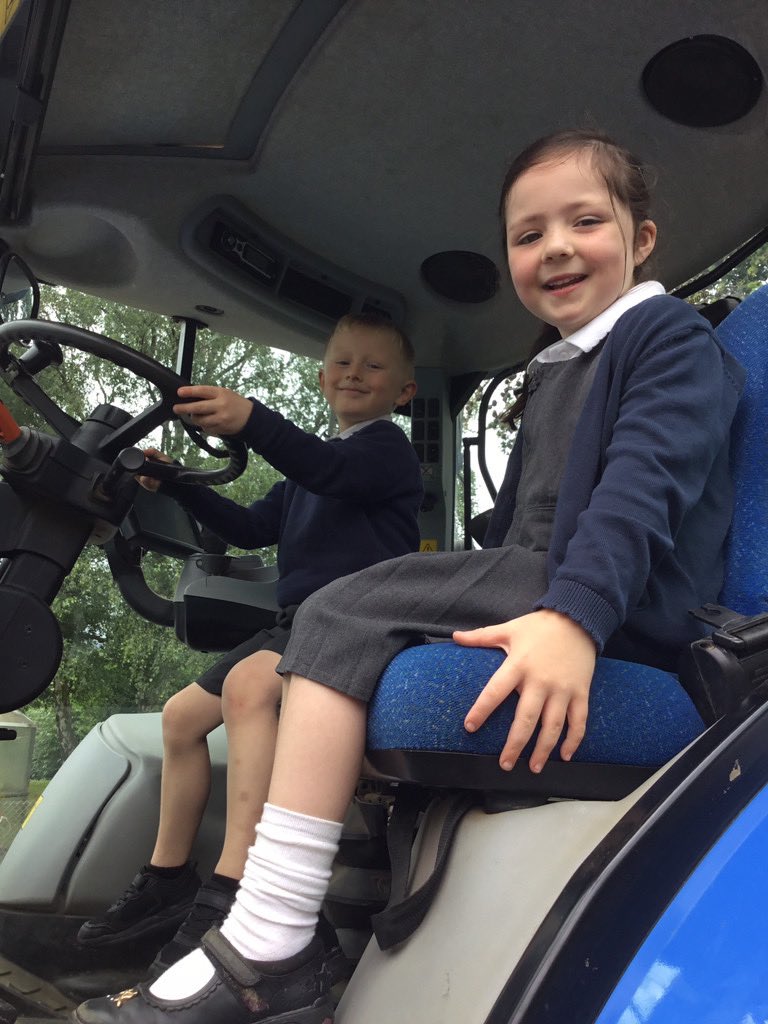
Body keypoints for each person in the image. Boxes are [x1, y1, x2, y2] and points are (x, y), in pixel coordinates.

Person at [73, 130, 744, 1024]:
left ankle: (271, 939)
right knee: (351, 624)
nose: (555, 248)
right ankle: (306, 908)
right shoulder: (558, 368)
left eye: (585, 221)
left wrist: (575, 619)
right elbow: (513, 525)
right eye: (527, 234)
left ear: (643, 240)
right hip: (549, 576)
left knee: (343, 612)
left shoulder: (666, 336)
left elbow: (642, 491)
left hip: (619, 601)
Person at [76, 312, 423, 977]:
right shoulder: (306, 476)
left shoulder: (384, 452)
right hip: (301, 622)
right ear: (323, 379)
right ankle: (167, 877)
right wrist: (175, 480)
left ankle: (233, 889)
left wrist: (254, 419)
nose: (354, 374)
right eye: (342, 363)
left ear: (403, 392)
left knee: (246, 687)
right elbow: (244, 526)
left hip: (359, 622)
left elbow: (330, 470)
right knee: (181, 718)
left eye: (373, 366)